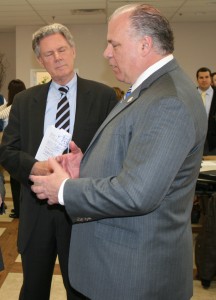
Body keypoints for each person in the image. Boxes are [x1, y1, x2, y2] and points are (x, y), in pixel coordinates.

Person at [28, 4, 208, 300]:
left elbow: (137, 193)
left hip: (135, 275)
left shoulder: (168, 101)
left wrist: (64, 190)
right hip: (120, 269)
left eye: (113, 44)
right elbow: (137, 161)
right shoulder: (148, 91)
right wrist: (84, 170)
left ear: (145, 44)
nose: (106, 53)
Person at [0, 23, 117, 300]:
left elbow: (113, 151)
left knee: (80, 290)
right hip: (37, 208)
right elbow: (7, 151)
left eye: (62, 50)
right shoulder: (26, 101)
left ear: (73, 51)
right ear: (40, 60)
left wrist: (82, 167)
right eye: (48, 54)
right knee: (33, 290)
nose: (57, 57)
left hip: (80, 211)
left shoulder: (103, 97)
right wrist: (35, 167)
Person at [0, 79, 26, 219]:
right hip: (19, 148)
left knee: (16, 182)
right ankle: (18, 210)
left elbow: (1, 114)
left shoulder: (16, 105)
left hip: (16, 148)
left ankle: (19, 211)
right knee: (17, 182)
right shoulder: (17, 104)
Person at [196, 67, 216, 155]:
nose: (204, 80)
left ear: (210, 78)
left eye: (206, 77)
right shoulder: (191, 94)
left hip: (214, 141)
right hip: (196, 140)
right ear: (197, 79)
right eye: (201, 77)